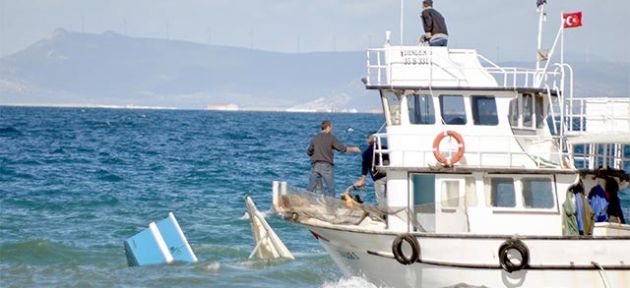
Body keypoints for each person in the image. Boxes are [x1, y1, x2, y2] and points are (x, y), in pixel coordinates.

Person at [307, 120, 360, 197]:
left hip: (315, 166)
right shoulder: (331, 138)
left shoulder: (315, 138)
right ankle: (331, 207)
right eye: (331, 127)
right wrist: (354, 149)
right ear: (328, 127)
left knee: (310, 189)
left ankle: (305, 204)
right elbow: (341, 148)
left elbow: (309, 151)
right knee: (331, 189)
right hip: (326, 166)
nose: (331, 129)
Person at [354, 133, 388, 208]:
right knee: (389, 197)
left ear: (368, 141)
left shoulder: (366, 153)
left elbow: (364, 169)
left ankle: (383, 215)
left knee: (380, 198)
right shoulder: (385, 149)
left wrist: (362, 181)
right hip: (389, 175)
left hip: (378, 178)